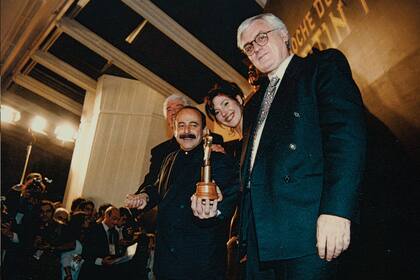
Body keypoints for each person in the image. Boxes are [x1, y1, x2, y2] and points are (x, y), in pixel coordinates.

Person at [231, 13, 367, 279]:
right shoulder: (253, 104)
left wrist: (337, 211)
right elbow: (250, 173)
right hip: (260, 240)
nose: (255, 48)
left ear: (284, 35)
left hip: (309, 230)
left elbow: (346, 138)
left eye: (261, 37)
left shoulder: (320, 67)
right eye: (248, 47)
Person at [126, 106, 239, 279]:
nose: (186, 131)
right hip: (166, 259)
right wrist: (145, 196)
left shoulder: (219, 159)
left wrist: (214, 210)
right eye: (181, 125)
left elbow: (229, 195)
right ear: (174, 129)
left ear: (204, 131)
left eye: (193, 125)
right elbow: (158, 187)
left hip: (200, 262)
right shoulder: (169, 159)